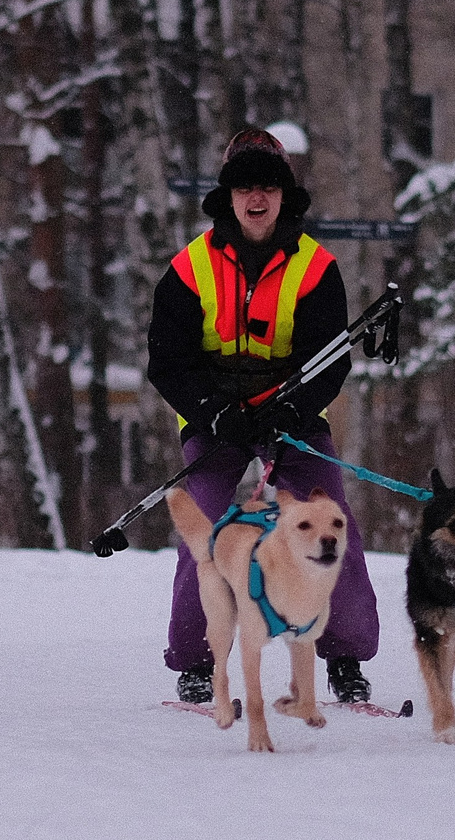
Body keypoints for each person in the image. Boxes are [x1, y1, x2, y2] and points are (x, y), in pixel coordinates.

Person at [147, 127, 381, 704]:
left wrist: (289, 410)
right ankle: (197, 663)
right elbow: (167, 362)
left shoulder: (316, 268)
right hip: (214, 420)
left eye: (269, 187)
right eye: (245, 187)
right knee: (202, 524)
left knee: (328, 518)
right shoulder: (188, 268)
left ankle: (345, 659)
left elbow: (329, 363)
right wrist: (214, 411)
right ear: (227, 196)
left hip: (293, 420)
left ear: (285, 196)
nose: (257, 199)